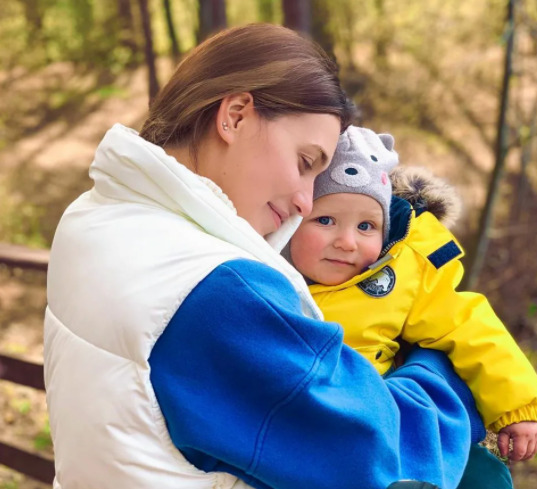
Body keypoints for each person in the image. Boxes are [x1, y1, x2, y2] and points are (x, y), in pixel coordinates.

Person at [44, 24, 484, 489]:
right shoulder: (215, 290)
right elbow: (380, 458)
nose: (305, 202)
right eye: (304, 162)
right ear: (234, 115)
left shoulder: (93, 216)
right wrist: (441, 364)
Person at [288, 126, 537, 480]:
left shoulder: (404, 273)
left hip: (373, 416)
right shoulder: (260, 265)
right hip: (297, 423)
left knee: (483, 477)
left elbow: (467, 325)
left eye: (366, 226)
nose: (347, 242)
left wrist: (518, 407)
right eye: (325, 220)